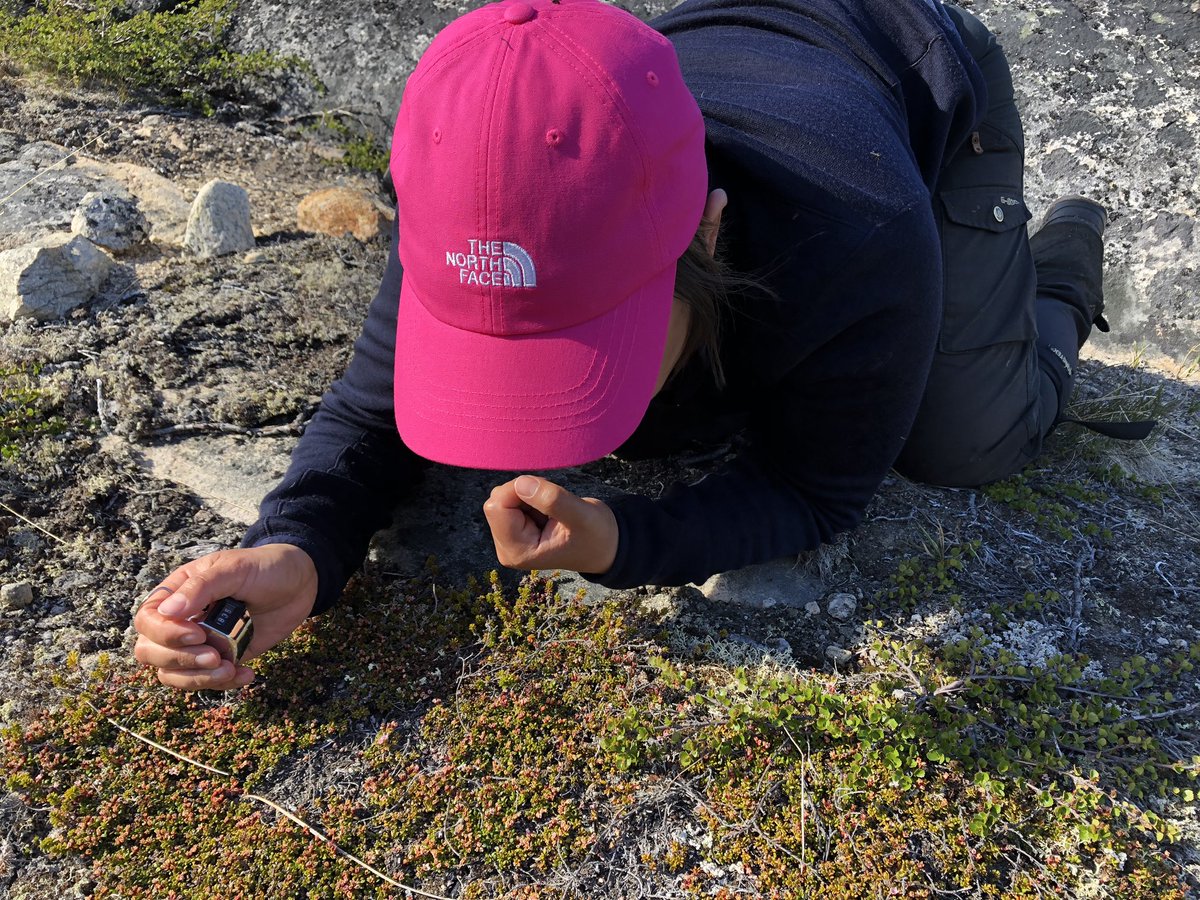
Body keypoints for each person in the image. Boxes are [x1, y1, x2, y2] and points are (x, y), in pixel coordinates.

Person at [133, 0, 1115, 691]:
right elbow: (371, 409)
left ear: (707, 230)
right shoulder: (492, 199)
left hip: (918, 71)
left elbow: (821, 489)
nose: (534, 421)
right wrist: (300, 547)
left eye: (588, 339)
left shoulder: (858, 233)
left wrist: (626, 544)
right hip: (721, 52)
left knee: (966, 441)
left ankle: (1061, 261)